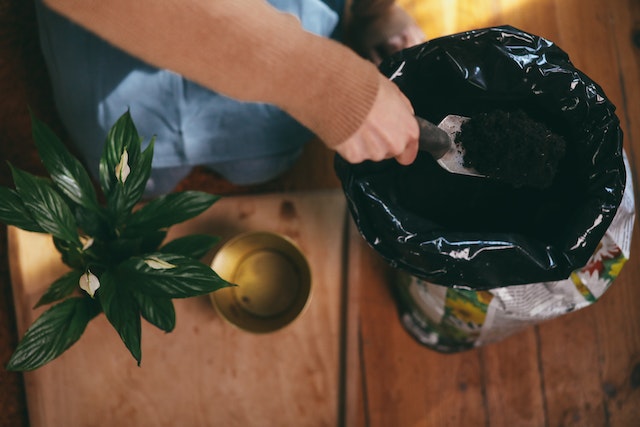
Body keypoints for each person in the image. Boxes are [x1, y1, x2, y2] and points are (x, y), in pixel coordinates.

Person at [35, 0, 425, 195]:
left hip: (284, 66)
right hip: (112, 54)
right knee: (137, 177)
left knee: (258, 160)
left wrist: (377, 12)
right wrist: (321, 83)